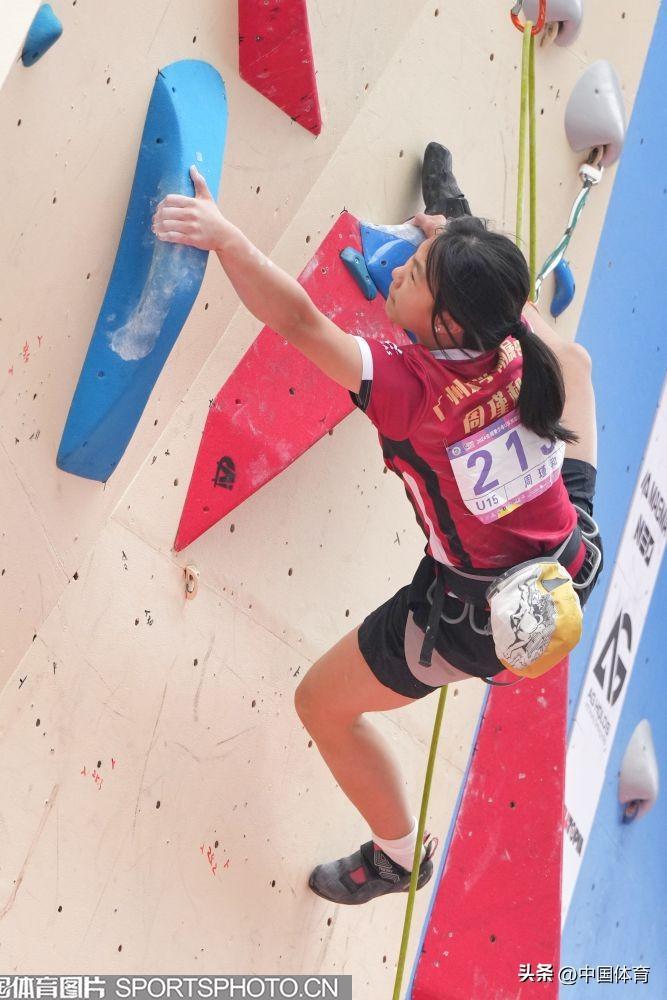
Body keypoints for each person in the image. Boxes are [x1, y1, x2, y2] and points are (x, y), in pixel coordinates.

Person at [152, 143, 603, 906]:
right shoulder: (517, 345)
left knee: (321, 706)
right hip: (571, 551)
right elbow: (509, 309)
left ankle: (398, 858)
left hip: (468, 620)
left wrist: (225, 235)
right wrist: (451, 240)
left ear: (449, 322)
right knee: (577, 364)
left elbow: (298, 319)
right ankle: (457, 227)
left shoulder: (406, 389)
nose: (396, 271)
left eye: (415, 273)